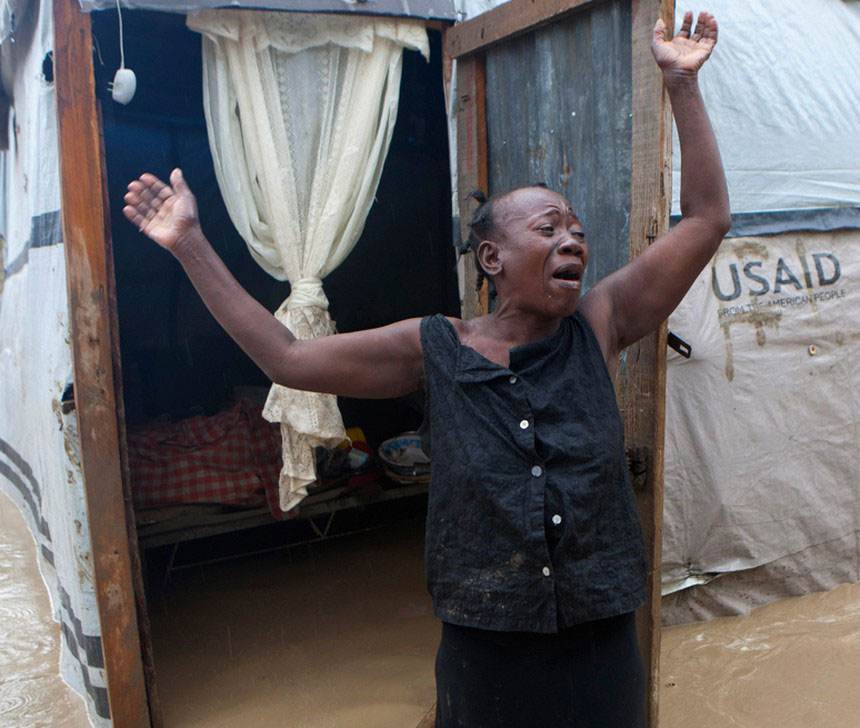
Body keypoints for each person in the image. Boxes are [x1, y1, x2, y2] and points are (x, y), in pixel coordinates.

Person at [124, 10, 727, 727]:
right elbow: (284, 357)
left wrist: (680, 85)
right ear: (492, 259)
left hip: (600, 630)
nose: (571, 239)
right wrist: (189, 243)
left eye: (576, 231)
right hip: (487, 639)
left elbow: (705, 220)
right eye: (547, 229)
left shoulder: (601, 322)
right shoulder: (433, 345)